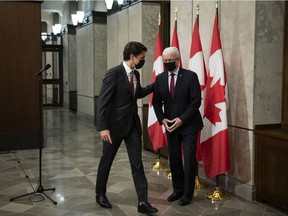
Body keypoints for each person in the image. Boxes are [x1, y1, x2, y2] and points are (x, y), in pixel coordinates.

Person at [95, 41, 158, 214]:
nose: (143, 60)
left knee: (137, 163)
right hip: (113, 128)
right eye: (142, 57)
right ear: (132, 57)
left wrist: (155, 84)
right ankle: (100, 193)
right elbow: (102, 102)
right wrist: (103, 128)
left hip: (132, 127)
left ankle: (143, 202)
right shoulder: (113, 73)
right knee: (106, 161)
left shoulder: (135, 74)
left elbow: (137, 94)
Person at [152, 46, 203, 206]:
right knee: (173, 158)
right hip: (170, 126)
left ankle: (187, 194)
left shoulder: (190, 76)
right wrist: (162, 120)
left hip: (189, 125)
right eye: (164, 61)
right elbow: (156, 102)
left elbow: (196, 102)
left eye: (170, 61)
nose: (167, 63)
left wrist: (182, 119)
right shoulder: (160, 78)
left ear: (178, 60)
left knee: (188, 159)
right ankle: (178, 190)